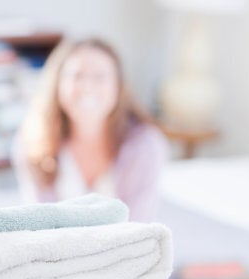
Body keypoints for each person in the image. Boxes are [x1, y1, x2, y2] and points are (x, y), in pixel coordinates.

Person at [12, 38, 169, 221]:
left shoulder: (145, 146)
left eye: (100, 77)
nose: (87, 87)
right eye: (77, 76)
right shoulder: (31, 142)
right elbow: (39, 224)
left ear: (118, 87)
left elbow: (138, 228)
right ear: (57, 84)